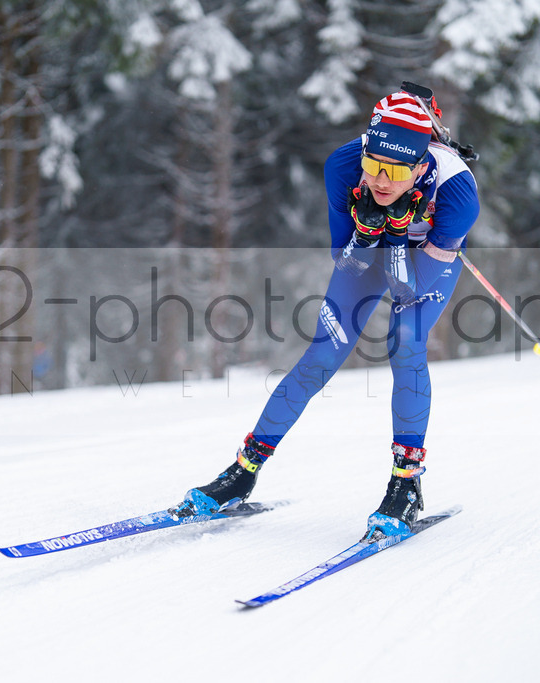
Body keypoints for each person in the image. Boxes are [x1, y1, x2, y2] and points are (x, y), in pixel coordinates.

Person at [172, 86, 480, 541]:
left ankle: (406, 485)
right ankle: (243, 472)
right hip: (369, 249)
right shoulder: (343, 165)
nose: (379, 180)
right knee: (320, 357)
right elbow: (349, 261)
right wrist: (371, 230)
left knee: (405, 344)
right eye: (373, 165)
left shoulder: (457, 195)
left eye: (395, 170)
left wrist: (396, 233)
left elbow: (407, 287)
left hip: (425, 265)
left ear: (419, 166)